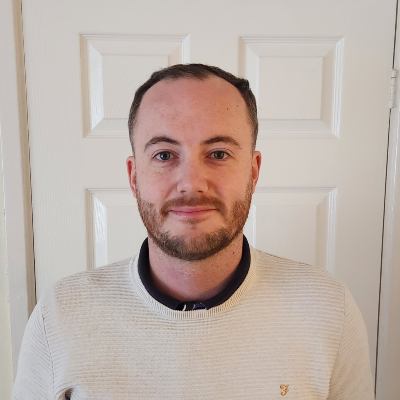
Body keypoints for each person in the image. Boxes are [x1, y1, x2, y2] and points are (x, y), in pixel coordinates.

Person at [13, 64, 374, 399]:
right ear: (134, 176)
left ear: (253, 171)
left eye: (218, 154)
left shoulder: (329, 309)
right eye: (164, 155)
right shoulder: (60, 316)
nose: (191, 183)